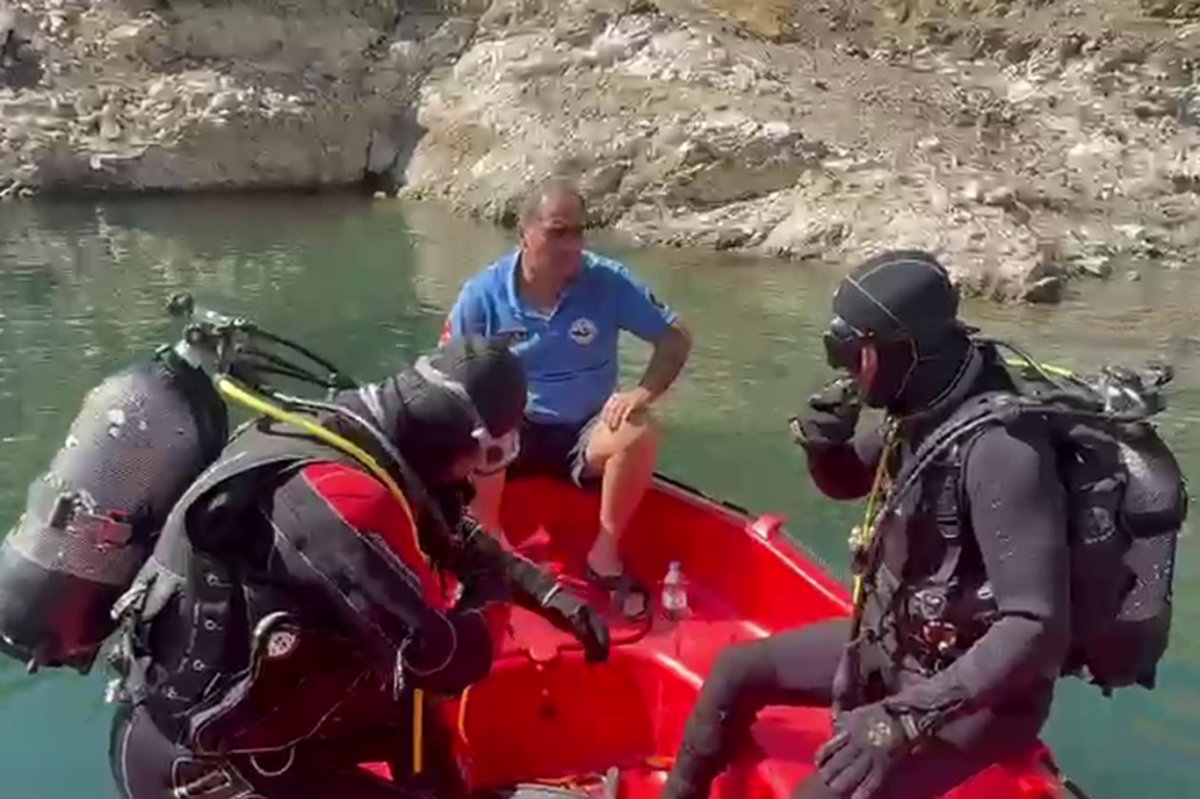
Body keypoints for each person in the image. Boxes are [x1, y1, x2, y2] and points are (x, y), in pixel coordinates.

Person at [105, 336, 610, 799]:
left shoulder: (349, 433)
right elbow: (449, 660)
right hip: (207, 764)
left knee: (418, 728)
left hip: (271, 710)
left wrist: (546, 593)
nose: (476, 478)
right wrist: (494, 597)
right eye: (487, 457)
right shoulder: (343, 503)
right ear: (462, 438)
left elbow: (448, 528)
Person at [661, 250, 1073, 799]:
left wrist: (900, 721)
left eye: (856, 352)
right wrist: (823, 447)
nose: (847, 368)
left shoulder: (1002, 450)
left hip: (977, 697)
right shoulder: (925, 402)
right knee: (734, 670)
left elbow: (1036, 627)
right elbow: (851, 478)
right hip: (897, 641)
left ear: (907, 349)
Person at [441, 179, 693, 618]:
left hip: (585, 430)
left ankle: (604, 555)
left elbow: (675, 338)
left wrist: (641, 392)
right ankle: (494, 549)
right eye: (558, 232)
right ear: (526, 232)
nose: (571, 245)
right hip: (512, 433)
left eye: (579, 232)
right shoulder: (481, 294)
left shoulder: (608, 282)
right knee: (478, 423)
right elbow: (449, 370)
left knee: (640, 429)